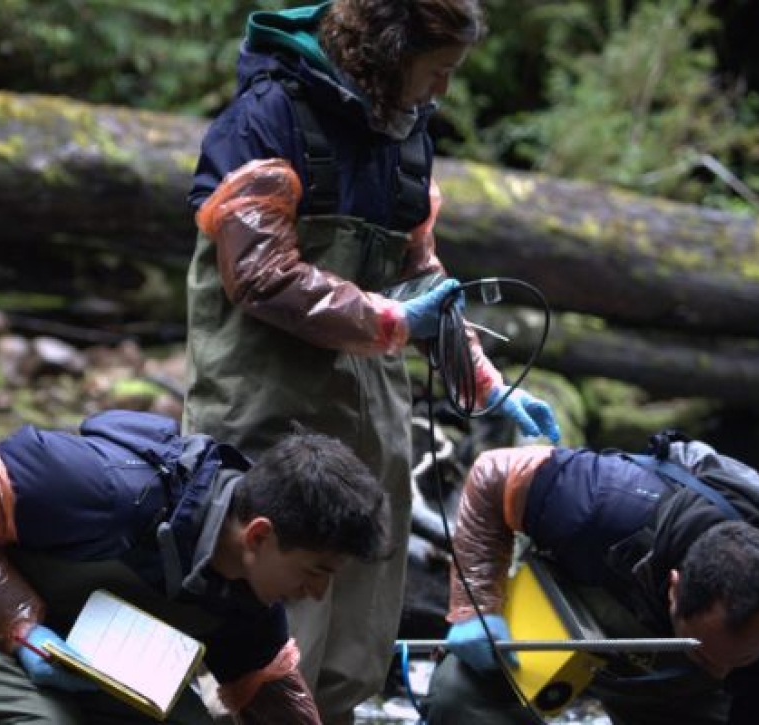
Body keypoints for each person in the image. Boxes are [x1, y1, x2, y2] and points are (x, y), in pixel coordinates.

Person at [184, 2, 560, 721]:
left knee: (357, 620)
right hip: (264, 415)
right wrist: (388, 319)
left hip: (370, 425)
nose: (442, 91)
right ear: (392, 51)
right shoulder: (267, 118)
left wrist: (481, 383)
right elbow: (260, 274)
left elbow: (420, 276)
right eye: (438, 70)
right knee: (259, 624)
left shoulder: (404, 137)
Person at [0, 409, 391, 725]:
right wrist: (21, 627)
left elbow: (270, 695)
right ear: (259, 536)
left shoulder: (248, 597)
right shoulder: (106, 487)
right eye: (316, 571)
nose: (318, 594)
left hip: (76, 639)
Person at [424, 443, 759, 725]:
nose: (720, 673)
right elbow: (492, 473)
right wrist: (475, 606)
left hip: (670, 694)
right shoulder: (601, 503)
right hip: (564, 614)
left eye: (741, 661)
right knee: (458, 701)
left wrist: (723, 663)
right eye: (705, 655)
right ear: (674, 589)